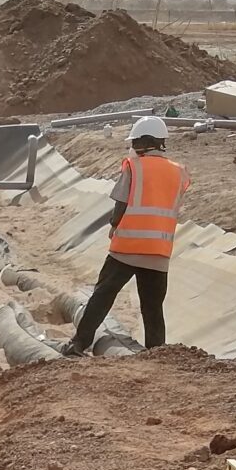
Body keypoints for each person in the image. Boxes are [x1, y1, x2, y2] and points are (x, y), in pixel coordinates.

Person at [68, 116, 187, 355]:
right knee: (153, 308)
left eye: (135, 142)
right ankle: (157, 355)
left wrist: (114, 225)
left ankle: (79, 343)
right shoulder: (179, 173)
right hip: (159, 252)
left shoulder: (134, 167)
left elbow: (121, 203)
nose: (132, 146)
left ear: (144, 142)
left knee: (102, 296)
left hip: (128, 247)